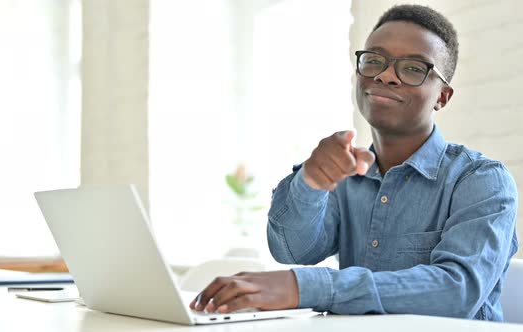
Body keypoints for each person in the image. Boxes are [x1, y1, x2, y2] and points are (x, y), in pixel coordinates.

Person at [190, 4, 519, 321]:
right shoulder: (341, 173)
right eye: (374, 60)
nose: (386, 75)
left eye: (414, 68)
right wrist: (310, 183)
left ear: (442, 97)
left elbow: (456, 292)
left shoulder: (481, 180)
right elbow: (292, 251)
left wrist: (304, 287)